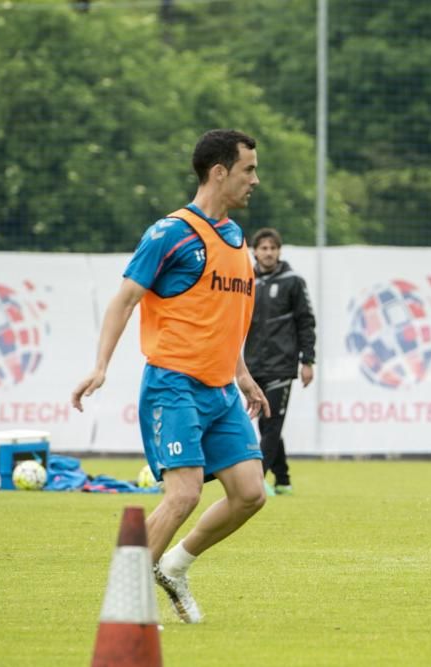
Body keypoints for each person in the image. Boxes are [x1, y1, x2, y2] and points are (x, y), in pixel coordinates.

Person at [71, 129, 270, 623]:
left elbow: (227, 318)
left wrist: (243, 375)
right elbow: (124, 300)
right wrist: (100, 366)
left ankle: (175, 566)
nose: (255, 180)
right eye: (248, 169)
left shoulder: (237, 241)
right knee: (183, 494)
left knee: (250, 494)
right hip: (174, 384)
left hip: (222, 389)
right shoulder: (170, 232)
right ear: (219, 172)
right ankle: (125, 607)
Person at [244, 227, 316, 496]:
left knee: (272, 424)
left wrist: (307, 360)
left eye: (273, 248)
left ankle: (256, 481)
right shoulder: (246, 280)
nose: (268, 253)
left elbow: (306, 322)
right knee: (267, 424)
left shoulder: (292, 281)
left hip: (283, 365)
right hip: (253, 365)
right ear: (255, 251)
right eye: (263, 248)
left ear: (279, 251)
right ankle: (283, 479)